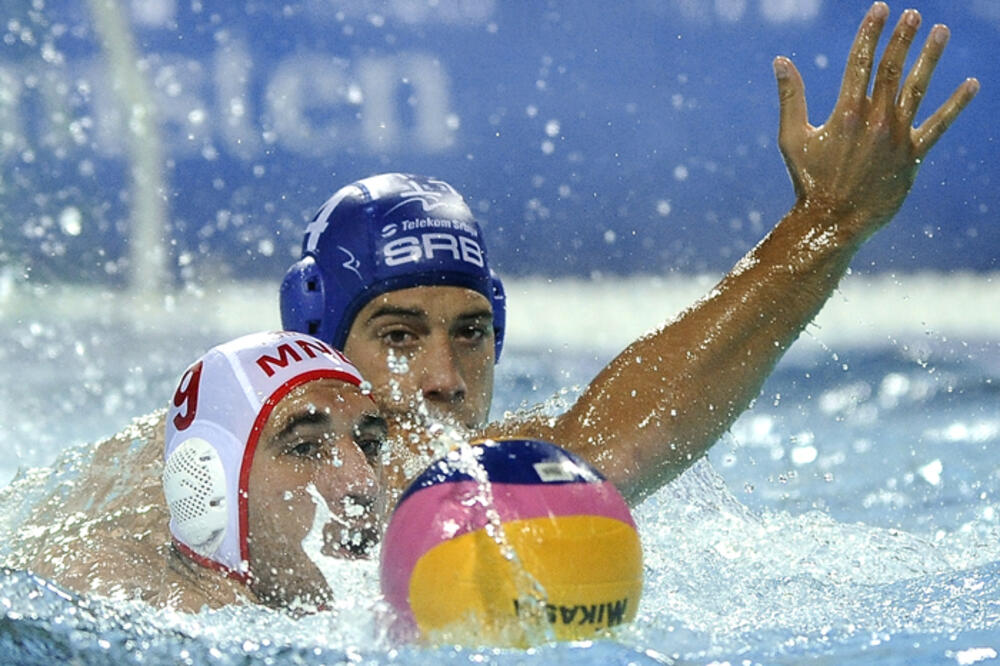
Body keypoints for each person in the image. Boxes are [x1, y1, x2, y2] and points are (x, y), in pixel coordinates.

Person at [280, 2, 979, 505]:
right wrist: (826, 222)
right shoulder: (224, 473)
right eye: (398, 336)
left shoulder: (484, 474)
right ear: (316, 343)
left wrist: (833, 220)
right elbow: (605, 454)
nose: (445, 379)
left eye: (471, 334)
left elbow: (597, 445)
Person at [9, 331, 387, 611]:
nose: (363, 484)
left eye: (368, 444)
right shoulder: (114, 613)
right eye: (304, 448)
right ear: (206, 485)